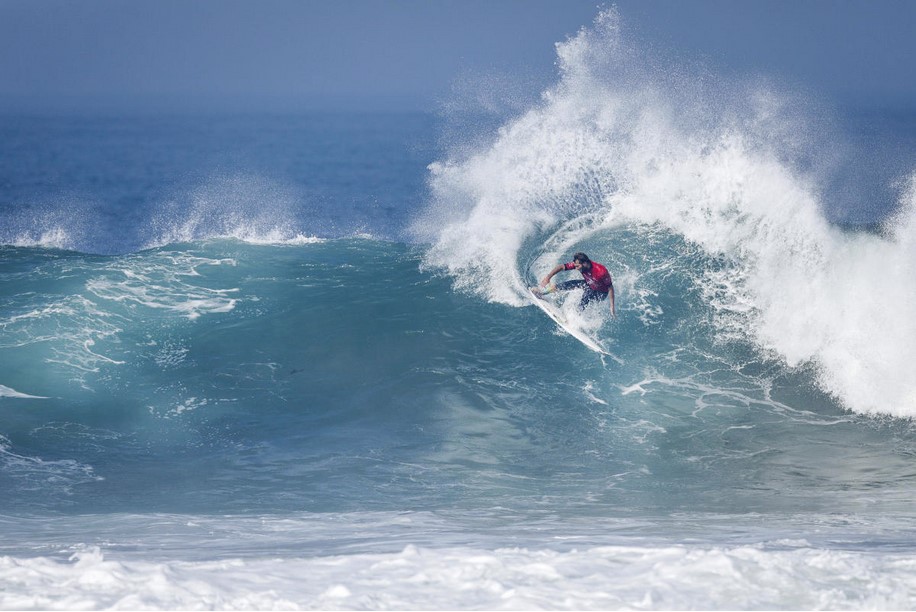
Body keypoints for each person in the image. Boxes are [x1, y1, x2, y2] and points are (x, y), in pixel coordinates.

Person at [537, 252, 616, 317]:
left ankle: (575, 317)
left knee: (587, 294)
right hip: (590, 284)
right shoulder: (578, 264)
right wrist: (548, 277)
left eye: (578, 266)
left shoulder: (601, 271)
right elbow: (561, 267)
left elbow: (610, 287)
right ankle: (542, 293)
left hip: (601, 293)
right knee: (569, 284)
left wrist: (612, 306)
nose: (576, 268)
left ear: (585, 263)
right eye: (575, 266)